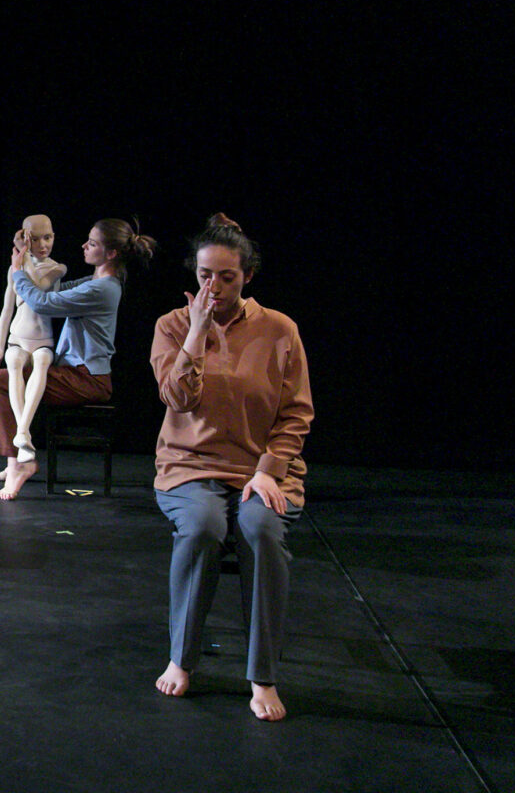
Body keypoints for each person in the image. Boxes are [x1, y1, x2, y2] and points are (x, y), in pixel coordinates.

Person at [150, 214, 312, 722]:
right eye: (204, 275)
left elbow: (296, 412)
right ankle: (182, 658)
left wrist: (268, 469)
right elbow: (177, 398)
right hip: (188, 465)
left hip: (259, 468)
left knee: (261, 530)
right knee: (202, 527)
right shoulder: (171, 326)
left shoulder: (280, 329)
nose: (213, 287)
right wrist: (197, 333)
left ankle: (263, 675)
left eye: (226, 277)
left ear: (247, 276)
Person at [0, 218, 156, 499]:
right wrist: (22, 253)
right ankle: (15, 461)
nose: (84, 245)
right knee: (3, 379)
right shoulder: (95, 281)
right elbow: (52, 291)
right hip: (75, 374)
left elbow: (43, 303)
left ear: (111, 253)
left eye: (93, 243)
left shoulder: (103, 288)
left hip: (86, 379)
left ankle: (19, 463)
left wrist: (18, 273)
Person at [0, 214, 67, 474]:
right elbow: (6, 309)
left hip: (42, 340)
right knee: (13, 361)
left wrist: (21, 258)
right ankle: (23, 440)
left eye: (48, 237)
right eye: (34, 239)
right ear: (25, 238)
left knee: (42, 361)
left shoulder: (57, 268)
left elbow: (37, 290)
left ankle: (22, 431)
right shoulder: (15, 269)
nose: (43, 244)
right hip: (18, 337)